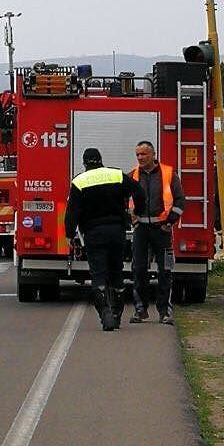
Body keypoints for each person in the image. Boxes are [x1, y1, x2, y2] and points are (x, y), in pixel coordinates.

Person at [64, 147, 145, 330]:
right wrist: (137, 212)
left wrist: (70, 234)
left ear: (84, 163)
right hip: (117, 232)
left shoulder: (79, 181)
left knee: (98, 275)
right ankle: (117, 314)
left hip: (94, 233)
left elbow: (73, 211)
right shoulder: (116, 175)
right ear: (101, 159)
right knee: (116, 273)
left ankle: (106, 315)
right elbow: (139, 191)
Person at [128, 140, 185, 325]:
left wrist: (170, 222)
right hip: (141, 230)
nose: (140, 158)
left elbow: (179, 201)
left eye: (144, 154)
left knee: (165, 270)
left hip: (162, 230)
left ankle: (165, 312)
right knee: (138, 270)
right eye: (138, 154)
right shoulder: (132, 176)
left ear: (153, 155)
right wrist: (131, 219)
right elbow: (121, 199)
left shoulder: (168, 174)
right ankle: (140, 310)